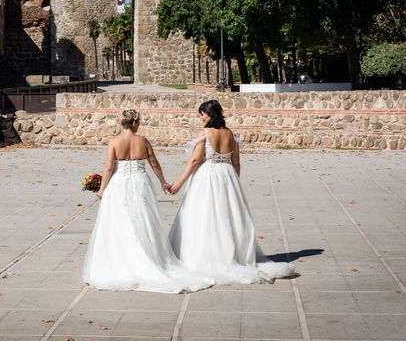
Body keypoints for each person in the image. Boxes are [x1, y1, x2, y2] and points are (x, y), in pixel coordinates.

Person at [82, 109, 213, 293]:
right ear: (134, 122)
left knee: (118, 222)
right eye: (139, 122)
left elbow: (109, 166)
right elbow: (154, 163)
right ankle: (146, 257)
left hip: (119, 185)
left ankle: (120, 261)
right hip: (140, 182)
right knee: (142, 220)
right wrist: (163, 182)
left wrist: (103, 189)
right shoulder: (142, 141)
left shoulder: (114, 141)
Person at [168, 100, 295, 284]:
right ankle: (231, 254)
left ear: (210, 114)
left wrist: (178, 184)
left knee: (205, 215)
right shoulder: (230, 134)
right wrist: (234, 183)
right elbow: (236, 163)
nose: (201, 118)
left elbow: (195, 161)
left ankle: (207, 256)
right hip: (227, 176)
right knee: (228, 216)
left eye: (202, 114)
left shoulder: (205, 133)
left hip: (208, 176)